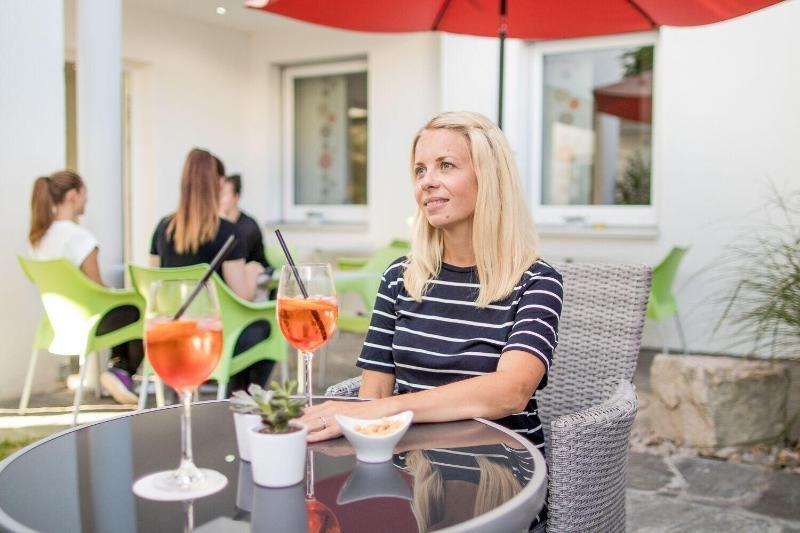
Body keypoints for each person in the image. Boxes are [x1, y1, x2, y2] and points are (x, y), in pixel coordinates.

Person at [299, 111, 563, 523]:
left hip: (502, 480)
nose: (427, 181)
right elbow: (374, 394)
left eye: (446, 165)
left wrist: (381, 410)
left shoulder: (536, 281)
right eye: (420, 170)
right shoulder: (399, 279)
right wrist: (370, 415)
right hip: (409, 480)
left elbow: (510, 392)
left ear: (490, 178)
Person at [150, 149, 274, 391]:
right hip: (212, 340)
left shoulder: (162, 228)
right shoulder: (228, 232)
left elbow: (156, 284)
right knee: (266, 326)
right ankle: (239, 398)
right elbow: (243, 296)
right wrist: (252, 272)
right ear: (217, 183)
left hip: (170, 338)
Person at [28, 170, 143, 404]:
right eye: (84, 194)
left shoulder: (38, 239)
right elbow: (98, 288)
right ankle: (121, 371)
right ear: (73, 195)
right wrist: (128, 296)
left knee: (128, 308)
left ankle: (119, 371)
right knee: (139, 307)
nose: (86, 200)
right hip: (89, 325)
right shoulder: (80, 238)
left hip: (56, 325)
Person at [219, 173, 271, 273]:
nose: (219, 199)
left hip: (255, 273)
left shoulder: (248, 226)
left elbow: (234, 258)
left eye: (224, 194)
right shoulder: (215, 224)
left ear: (236, 197)